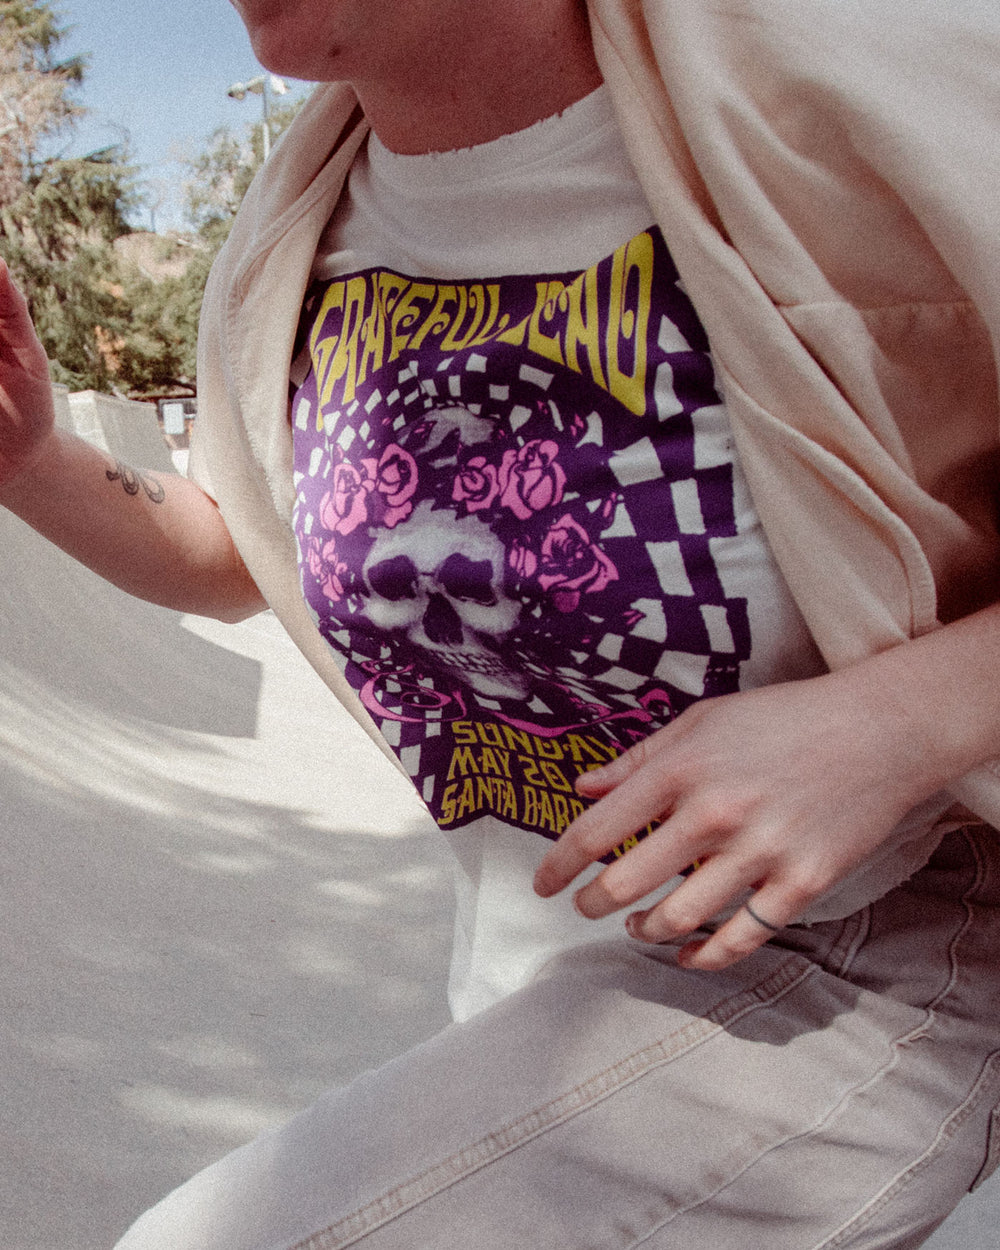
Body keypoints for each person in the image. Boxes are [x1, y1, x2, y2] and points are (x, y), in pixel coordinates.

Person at [3, 0, 1000, 1244]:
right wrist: (31, 458)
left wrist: (895, 720)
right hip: (535, 996)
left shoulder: (867, 98)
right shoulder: (295, 229)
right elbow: (241, 552)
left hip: (877, 949)